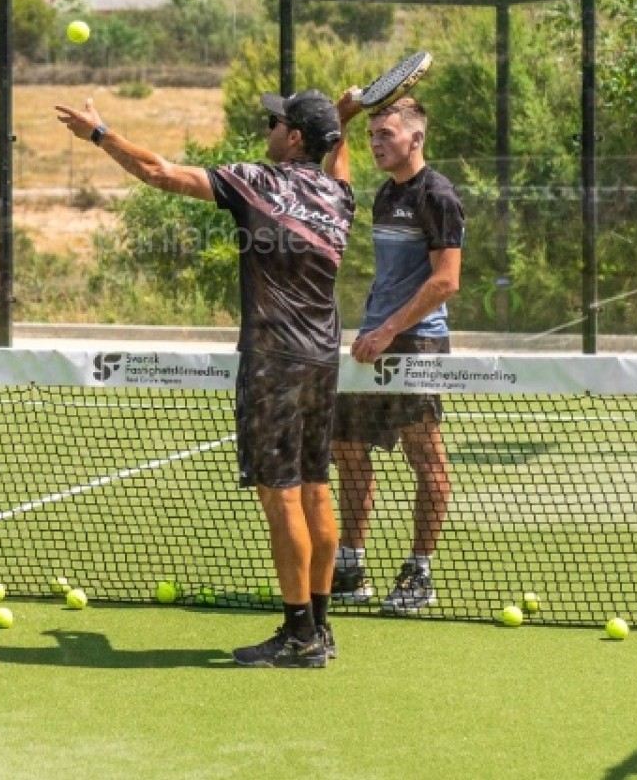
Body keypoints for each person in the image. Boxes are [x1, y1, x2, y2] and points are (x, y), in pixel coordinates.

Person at [55, 89, 355, 668]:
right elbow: (336, 159)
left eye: (277, 120)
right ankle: (319, 627)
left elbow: (158, 172)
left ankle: (298, 636)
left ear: (294, 138)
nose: (268, 125)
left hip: (273, 360)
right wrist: (342, 122)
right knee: (316, 489)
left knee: (282, 496)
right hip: (323, 360)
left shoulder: (259, 182)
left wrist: (99, 134)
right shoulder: (340, 196)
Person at [330, 95, 463, 614]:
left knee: (423, 454)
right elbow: (336, 179)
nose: (376, 143)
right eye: (372, 136)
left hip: (415, 340)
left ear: (417, 138)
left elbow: (446, 281)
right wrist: (341, 122)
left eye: (386, 134)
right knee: (345, 446)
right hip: (375, 338)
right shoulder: (387, 195)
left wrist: (388, 330)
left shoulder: (439, 196)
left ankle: (419, 572)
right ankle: (350, 565)